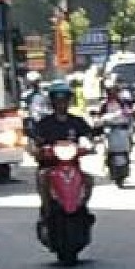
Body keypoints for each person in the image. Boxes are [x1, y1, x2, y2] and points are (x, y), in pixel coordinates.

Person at [31, 80, 96, 223]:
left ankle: (83, 207)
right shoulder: (44, 124)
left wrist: (89, 145)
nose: (61, 104)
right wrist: (38, 150)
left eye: (64, 100)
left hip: (73, 165)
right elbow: (36, 142)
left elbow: (88, 136)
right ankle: (47, 210)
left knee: (89, 179)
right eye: (58, 100)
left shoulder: (77, 121)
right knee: (42, 178)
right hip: (50, 165)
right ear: (52, 102)